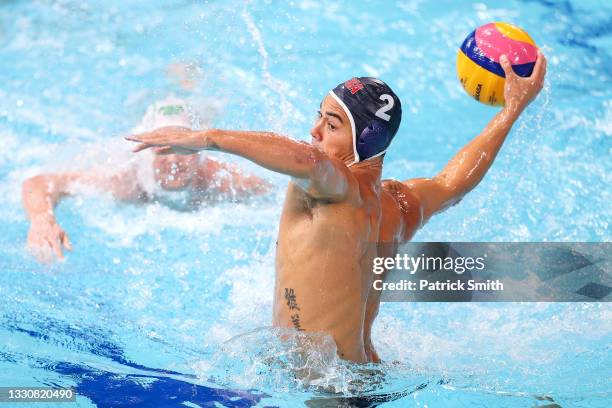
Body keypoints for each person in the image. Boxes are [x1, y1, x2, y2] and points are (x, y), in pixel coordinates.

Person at [127, 52, 547, 363]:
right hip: (366, 374)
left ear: (364, 141)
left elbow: (305, 159)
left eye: (331, 125)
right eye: (318, 118)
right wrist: (512, 110)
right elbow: (452, 182)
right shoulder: (399, 205)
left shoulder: (334, 190)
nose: (314, 132)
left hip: (316, 389)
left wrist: (207, 138)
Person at [22, 96, 270, 262]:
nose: (173, 161)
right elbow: (40, 182)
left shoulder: (220, 177)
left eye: (181, 149)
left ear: (198, 150)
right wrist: (42, 217)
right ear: (148, 149)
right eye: (163, 149)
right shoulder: (126, 179)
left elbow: (274, 195)